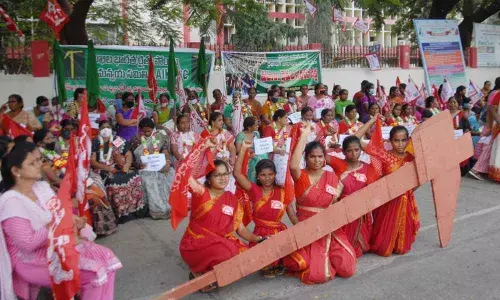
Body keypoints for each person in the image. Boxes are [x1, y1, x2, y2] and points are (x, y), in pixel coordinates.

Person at [0, 141, 121, 300]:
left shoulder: (41, 188)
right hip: (31, 260)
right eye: (32, 163)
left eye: (38, 160)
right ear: (16, 171)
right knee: (94, 272)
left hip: (58, 247)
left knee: (107, 259)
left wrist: (72, 220)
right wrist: (59, 224)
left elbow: (60, 213)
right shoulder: (11, 201)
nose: (39, 165)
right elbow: (28, 243)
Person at [179, 142, 263, 292]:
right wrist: (202, 149)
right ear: (209, 178)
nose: (223, 178)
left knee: (245, 256)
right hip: (195, 245)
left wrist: (257, 239)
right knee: (227, 253)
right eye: (217, 175)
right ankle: (198, 272)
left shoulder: (232, 199)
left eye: (225, 174)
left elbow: (241, 230)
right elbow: (185, 173)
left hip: (221, 243)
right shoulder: (201, 193)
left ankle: (209, 273)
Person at [283, 124, 356, 284]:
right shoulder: (301, 176)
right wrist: (304, 135)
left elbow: (335, 202)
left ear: (324, 158)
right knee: (319, 275)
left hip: (329, 226)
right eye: (312, 157)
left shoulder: (330, 176)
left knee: (347, 267)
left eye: (320, 157)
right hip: (308, 227)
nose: (316, 160)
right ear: (306, 158)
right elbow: (293, 165)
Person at [354, 117, 420, 256]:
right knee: (383, 248)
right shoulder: (384, 155)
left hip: (406, 200)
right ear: (390, 141)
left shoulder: (412, 158)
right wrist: (372, 121)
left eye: (403, 140)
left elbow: (419, 179)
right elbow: (356, 139)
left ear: (408, 141)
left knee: (402, 248)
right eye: (396, 140)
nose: (400, 144)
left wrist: (409, 191)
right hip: (387, 201)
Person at [234, 142, 298, 277]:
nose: (267, 178)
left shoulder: (282, 191)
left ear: (275, 174)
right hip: (261, 235)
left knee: (299, 260)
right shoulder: (255, 191)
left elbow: (292, 215)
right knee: (263, 260)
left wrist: (304, 228)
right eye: (263, 175)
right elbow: (237, 174)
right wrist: (244, 150)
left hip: (280, 232)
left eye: (270, 174)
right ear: (257, 176)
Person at [327, 136, 378, 257]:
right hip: (344, 209)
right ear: (343, 152)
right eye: (349, 151)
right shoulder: (339, 164)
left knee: (363, 244)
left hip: (362, 209)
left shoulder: (367, 167)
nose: (354, 153)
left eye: (357, 150)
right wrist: (330, 146)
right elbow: (318, 153)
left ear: (361, 150)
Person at [91, 120, 145, 223]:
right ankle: (120, 214)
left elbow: (128, 153)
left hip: (118, 167)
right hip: (102, 169)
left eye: (108, 127)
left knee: (135, 177)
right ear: (99, 130)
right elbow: (93, 162)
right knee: (113, 181)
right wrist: (108, 169)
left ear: (111, 129)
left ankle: (133, 211)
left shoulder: (116, 140)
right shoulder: (96, 142)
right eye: (103, 127)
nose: (105, 129)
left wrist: (127, 165)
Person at [132, 118, 174, 219]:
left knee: (171, 174)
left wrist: (167, 162)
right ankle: (158, 209)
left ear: (153, 129)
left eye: (149, 131)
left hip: (160, 166)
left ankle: (172, 205)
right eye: (144, 131)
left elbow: (165, 151)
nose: (146, 133)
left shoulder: (160, 137)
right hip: (145, 169)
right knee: (149, 179)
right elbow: (134, 159)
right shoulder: (135, 140)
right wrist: (139, 165)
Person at [469, 77, 500, 182]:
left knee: (487, 147)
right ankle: (476, 169)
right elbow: (491, 110)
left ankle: (484, 170)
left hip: (490, 123)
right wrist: (491, 126)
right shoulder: (497, 94)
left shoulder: (493, 93)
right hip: (492, 124)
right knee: (488, 147)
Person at [235, 117, 268, 182]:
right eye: (255, 125)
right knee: (256, 160)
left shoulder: (256, 133)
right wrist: (249, 152)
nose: (258, 126)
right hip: (245, 156)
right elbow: (238, 151)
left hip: (256, 154)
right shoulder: (241, 135)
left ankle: (263, 180)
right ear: (249, 127)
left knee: (265, 156)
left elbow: (259, 145)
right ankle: (252, 182)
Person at [262, 109, 291, 185]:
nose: (287, 120)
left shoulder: (286, 128)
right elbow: (267, 146)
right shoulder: (269, 128)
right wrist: (278, 150)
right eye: (285, 118)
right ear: (279, 119)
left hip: (283, 154)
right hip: (271, 155)